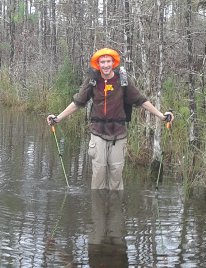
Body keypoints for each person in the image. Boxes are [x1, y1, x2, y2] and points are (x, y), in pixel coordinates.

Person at [47, 48, 174, 190]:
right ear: (98, 64)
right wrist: (57, 118)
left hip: (119, 135)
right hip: (97, 133)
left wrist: (162, 116)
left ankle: (114, 209)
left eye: (108, 61)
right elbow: (78, 103)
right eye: (102, 62)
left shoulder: (123, 80)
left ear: (113, 63)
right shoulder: (92, 80)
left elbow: (141, 100)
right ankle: (98, 209)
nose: (106, 65)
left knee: (116, 177)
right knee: (98, 176)